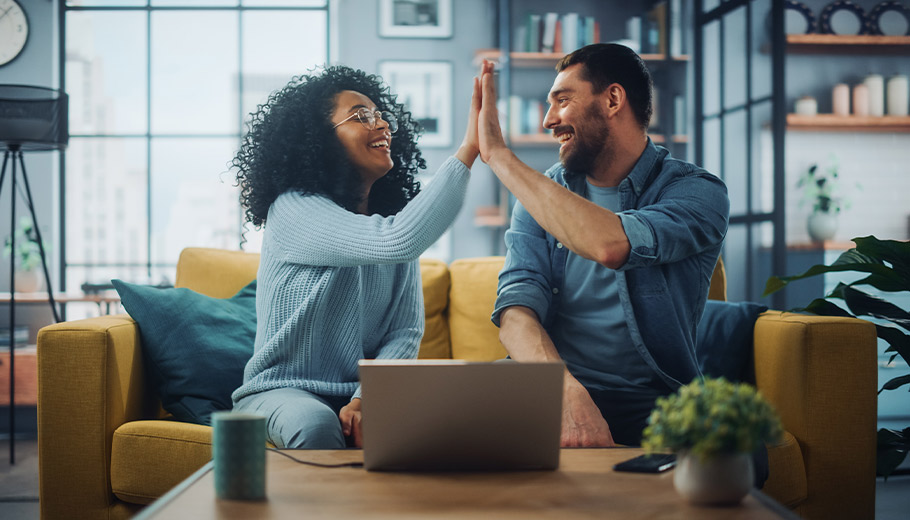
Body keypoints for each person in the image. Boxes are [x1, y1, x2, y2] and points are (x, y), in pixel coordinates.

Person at [476, 44, 731, 449]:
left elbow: (611, 244)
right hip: (550, 384)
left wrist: (499, 157)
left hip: (651, 398)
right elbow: (516, 312)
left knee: (738, 459)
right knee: (445, 431)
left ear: (613, 99)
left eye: (562, 100)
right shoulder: (541, 196)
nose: (548, 120)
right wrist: (566, 394)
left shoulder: (696, 192)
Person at [231, 65, 481, 449]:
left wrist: (368, 398)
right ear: (318, 139)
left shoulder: (388, 225)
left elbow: (404, 332)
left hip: (360, 393)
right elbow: (396, 240)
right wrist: (468, 151)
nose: (381, 125)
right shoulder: (294, 210)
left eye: (381, 116)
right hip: (281, 391)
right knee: (315, 423)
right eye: (362, 116)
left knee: (472, 408)